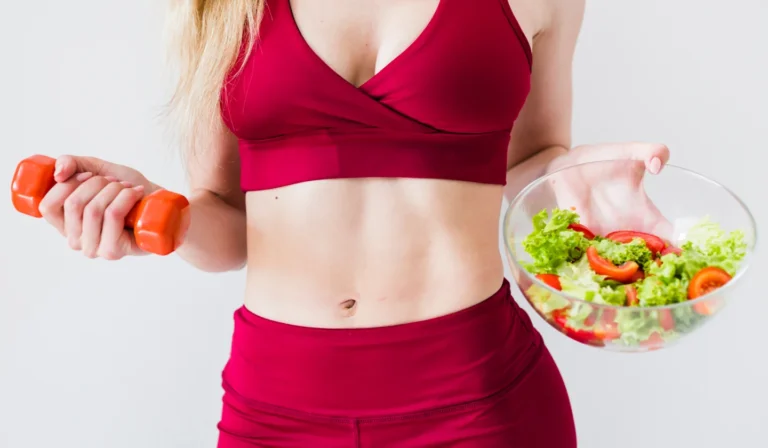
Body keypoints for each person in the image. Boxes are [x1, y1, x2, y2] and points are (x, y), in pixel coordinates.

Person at [36, 0, 671, 446]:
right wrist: (155, 214)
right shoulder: (222, 4)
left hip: (478, 398)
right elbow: (227, 220)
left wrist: (572, 174)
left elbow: (533, 160)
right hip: (277, 406)